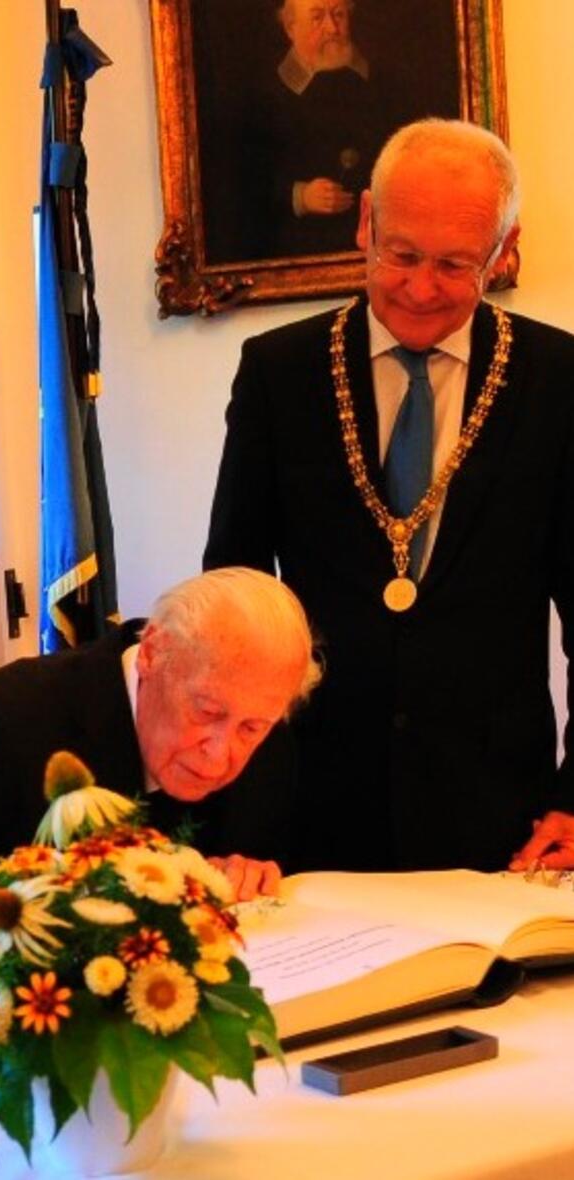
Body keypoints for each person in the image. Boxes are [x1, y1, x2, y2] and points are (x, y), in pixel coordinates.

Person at [205, 118, 574, 876]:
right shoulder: (280, 372)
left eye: (454, 264)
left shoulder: (558, 379)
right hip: (309, 810)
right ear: (366, 221)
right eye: (402, 254)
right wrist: (237, 814)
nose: (421, 287)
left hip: (503, 819)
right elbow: (233, 593)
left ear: (502, 251)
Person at [0, 567, 321, 988]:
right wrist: (46, 911)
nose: (221, 753)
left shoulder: (266, 733)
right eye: (206, 711)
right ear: (152, 653)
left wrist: (247, 876)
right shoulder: (8, 720)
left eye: (252, 728)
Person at [254, 0, 397, 257]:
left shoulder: (381, 82)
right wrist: (301, 196)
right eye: (317, 17)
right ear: (290, 28)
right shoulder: (268, 92)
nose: (332, 28)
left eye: (338, 15)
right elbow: (247, 177)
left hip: (374, 242)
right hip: (302, 247)